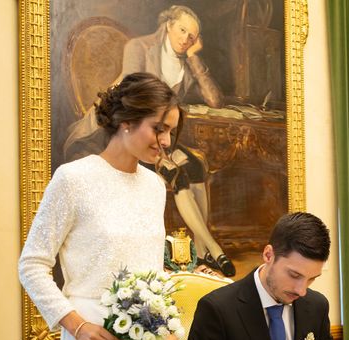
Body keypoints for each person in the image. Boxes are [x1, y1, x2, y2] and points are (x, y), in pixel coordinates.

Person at [19, 72, 188, 340]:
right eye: (158, 128)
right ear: (126, 121)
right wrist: (78, 326)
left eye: (171, 131)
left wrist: (168, 334)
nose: (166, 141)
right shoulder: (73, 179)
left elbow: (153, 269)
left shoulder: (155, 187)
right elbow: (31, 265)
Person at [64, 5, 236, 277]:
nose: (186, 39)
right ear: (167, 25)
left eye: (193, 37)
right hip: (123, 133)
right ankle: (213, 250)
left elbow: (215, 100)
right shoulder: (139, 47)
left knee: (195, 166)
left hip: (153, 134)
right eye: (182, 30)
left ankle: (204, 251)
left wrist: (193, 58)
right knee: (175, 171)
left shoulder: (185, 63)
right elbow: (135, 98)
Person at [181, 212, 341, 340]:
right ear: (268, 255)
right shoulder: (217, 308)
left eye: (311, 279)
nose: (302, 290)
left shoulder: (316, 304)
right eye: (294, 275)